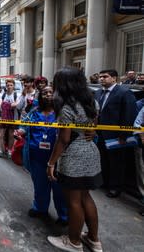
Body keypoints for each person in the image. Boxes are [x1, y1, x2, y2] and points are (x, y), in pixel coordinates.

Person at [46, 67, 103, 252]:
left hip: (74, 155)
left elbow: (63, 139)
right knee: (85, 196)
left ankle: (74, 242)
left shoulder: (66, 107)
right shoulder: (91, 102)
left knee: (74, 201)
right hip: (90, 152)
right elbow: (92, 127)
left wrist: (51, 163)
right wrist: (90, 129)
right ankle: (94, 240)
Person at [19, 86, 67, 224]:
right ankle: (40, 208)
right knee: (40, 184)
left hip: (57, 157)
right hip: (36, 155)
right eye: (45, 93)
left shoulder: (61, 113)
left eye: (51, 92)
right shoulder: (34, 111)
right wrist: (20, 132)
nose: (47, 95)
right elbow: (24, 125)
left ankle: (64, 215)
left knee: (58, 188)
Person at [95, 69, 137, 198]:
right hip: (99, 133)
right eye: (100, 77)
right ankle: (104, 182)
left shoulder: (124, 92)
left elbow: (129, 114)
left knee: (116, 162)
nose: (101, 79)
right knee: (102, 159)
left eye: (105, 77)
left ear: (114, 78)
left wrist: (124, 135)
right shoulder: (97, 93)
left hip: (116, 135)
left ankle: (115, 187)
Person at [0, 78, 19, 158]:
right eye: (8, 85)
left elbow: (16, 105)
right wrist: (10, 105)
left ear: (14, 86)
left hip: (12, 118)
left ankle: (9, 150)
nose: (9, 87)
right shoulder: (2, 95)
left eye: (11, 85)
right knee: (0, 134)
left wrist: (5, 104)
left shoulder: (16, 95)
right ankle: (0, 150)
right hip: (3, 117)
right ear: (5, 86)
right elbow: (0, 104)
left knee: (11, 135)